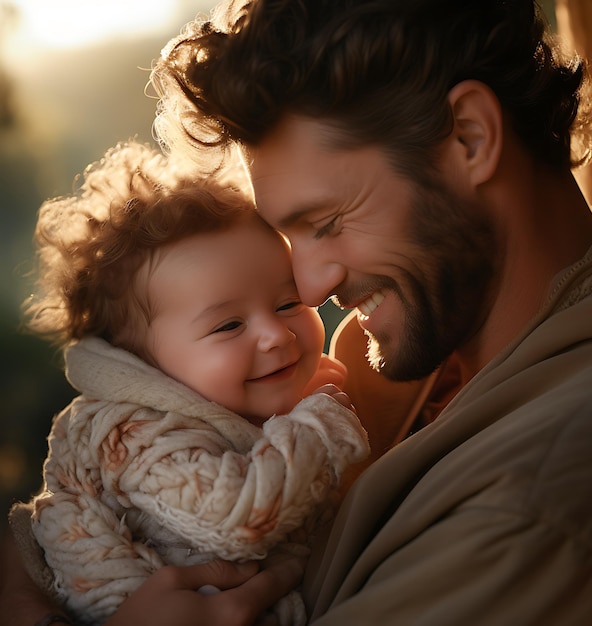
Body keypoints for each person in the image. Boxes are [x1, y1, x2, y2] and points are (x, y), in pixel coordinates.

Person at [3, 0, 592, 623]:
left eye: (326, 222)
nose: (306, 287)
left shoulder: (544, 485)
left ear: (471, 137)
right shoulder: (392, 346)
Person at [9, 140, 369, 626]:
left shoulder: (227, 406)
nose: (276, 334)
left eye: (289, 303)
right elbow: (240, 516)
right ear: (145, 366)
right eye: (228, 326)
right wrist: (324, 419)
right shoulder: (130, 434)